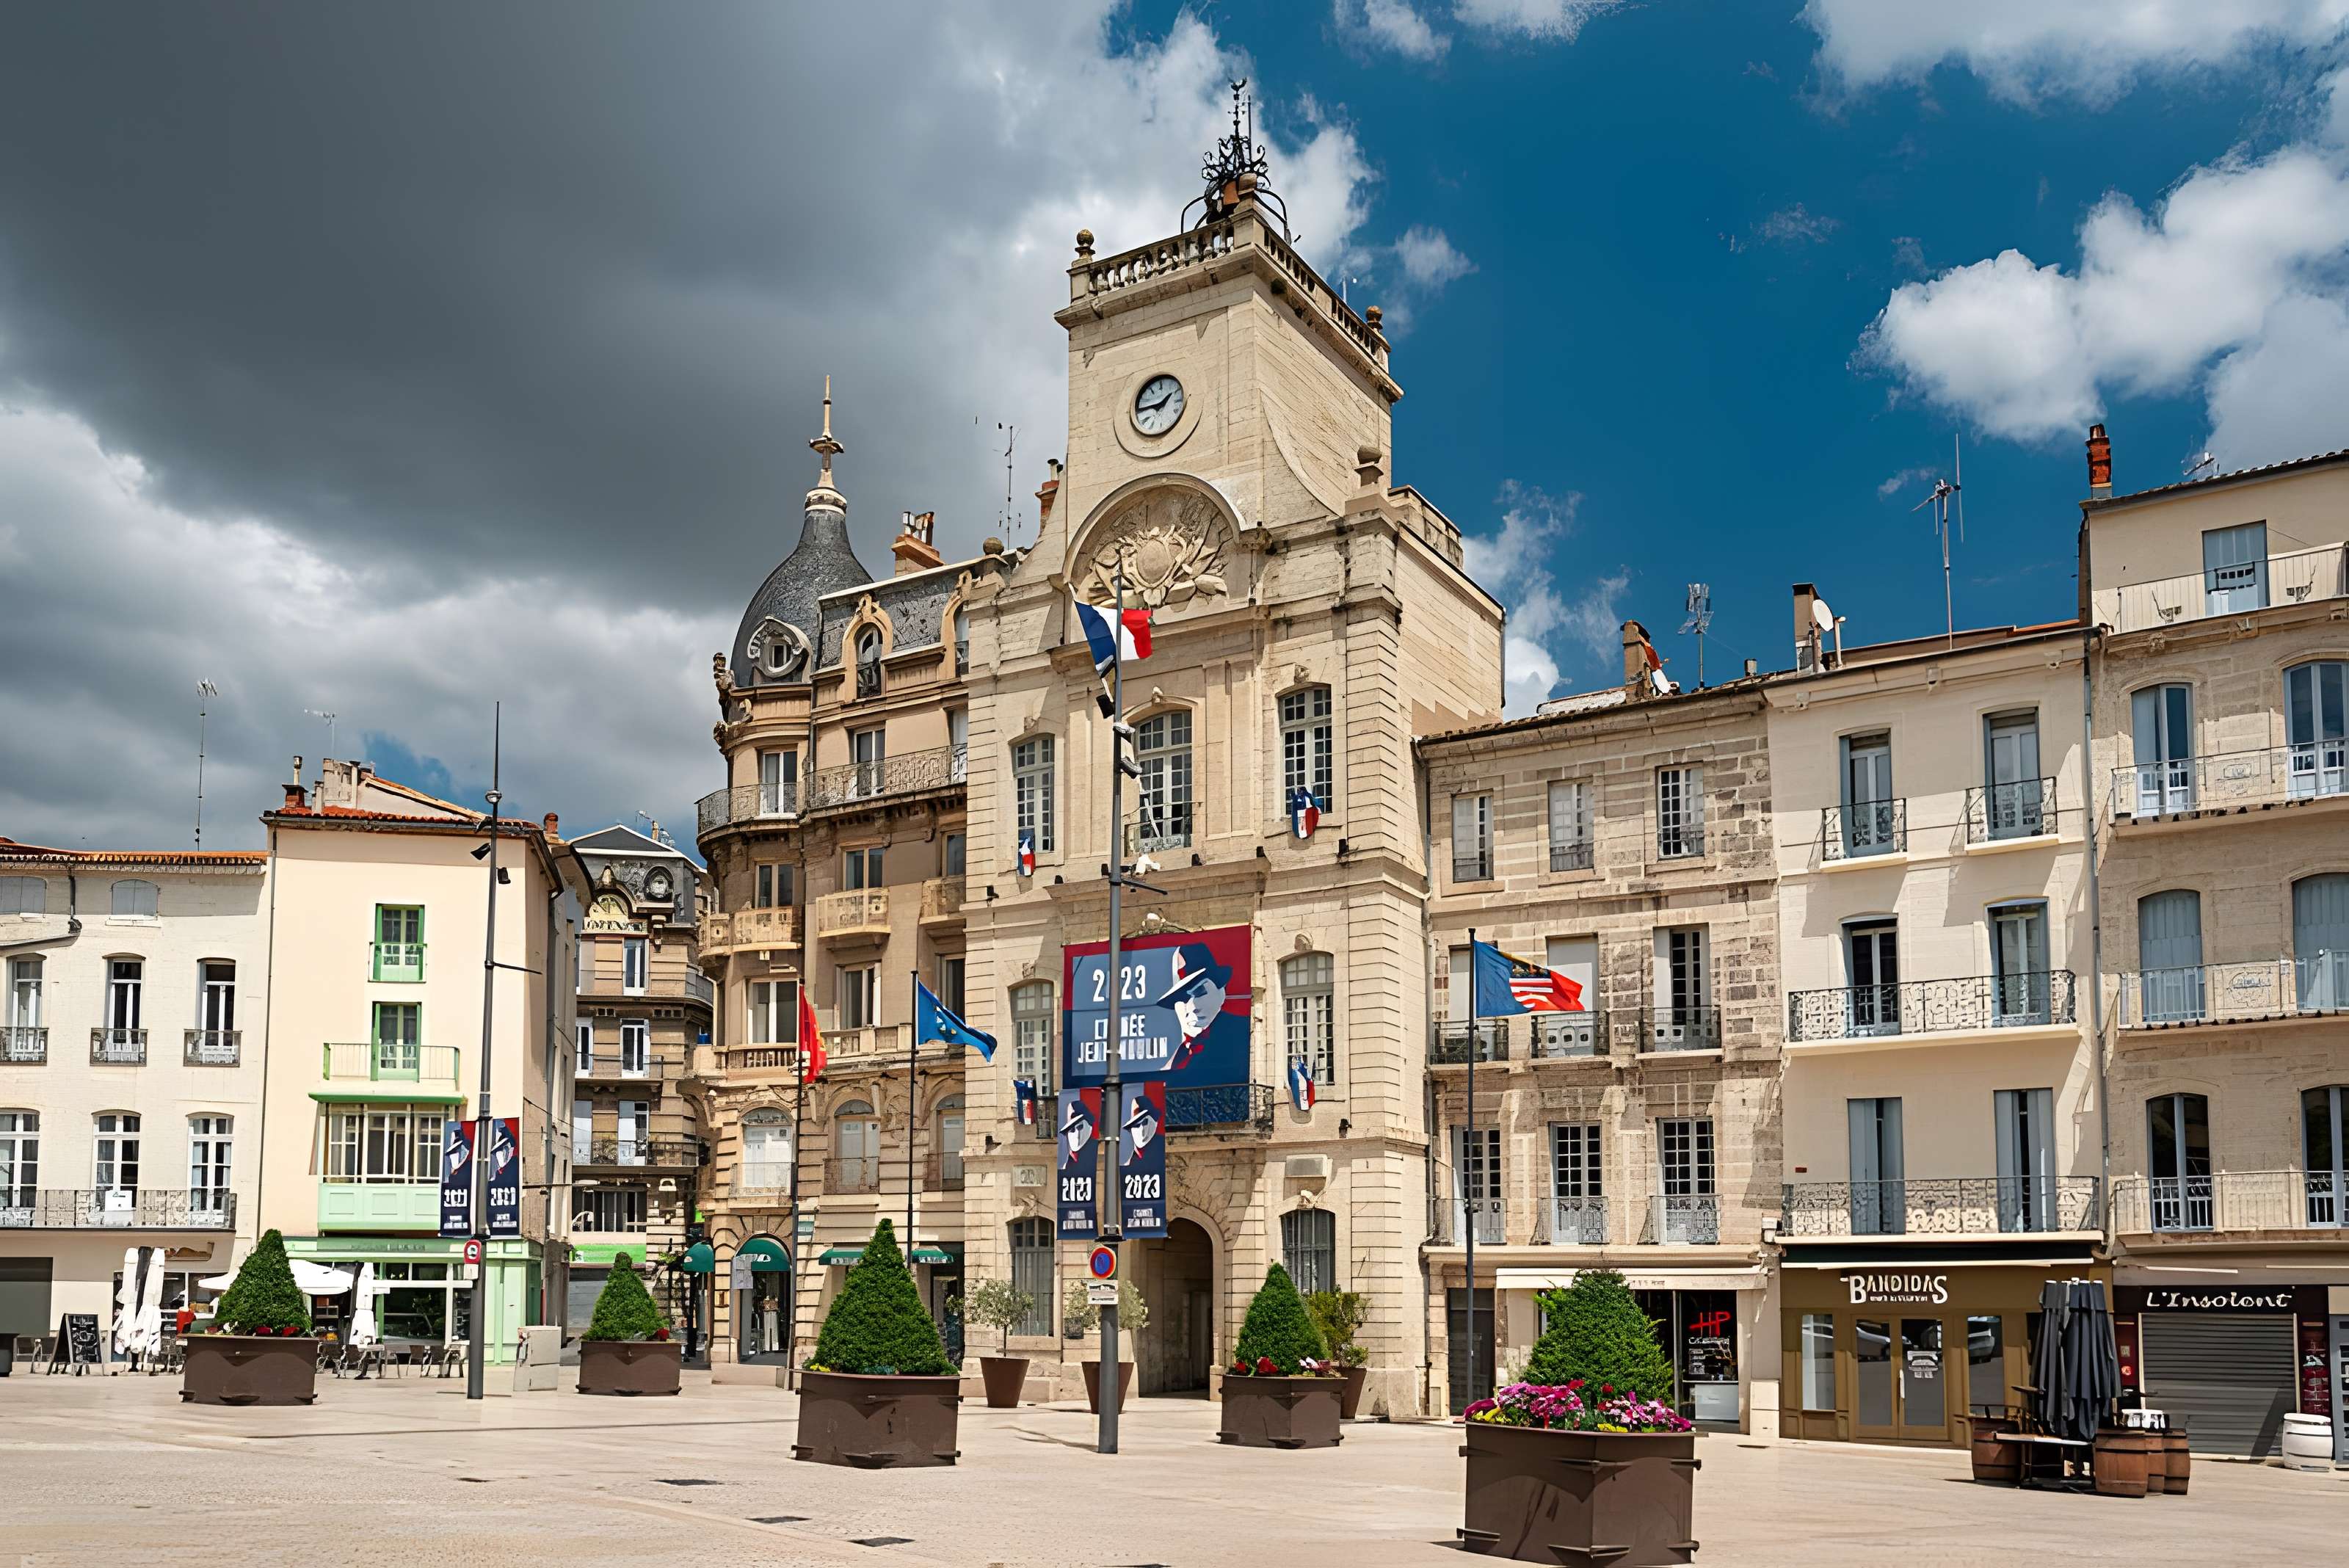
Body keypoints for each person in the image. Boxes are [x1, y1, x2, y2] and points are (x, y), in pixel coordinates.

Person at [1154, 943, 1246, 1076]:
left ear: (1220, 988)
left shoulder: (1239, 1030)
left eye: (1199, 991)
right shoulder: (1173, 1049)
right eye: (1180, 999)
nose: (1191, 1007)